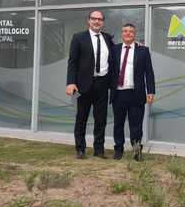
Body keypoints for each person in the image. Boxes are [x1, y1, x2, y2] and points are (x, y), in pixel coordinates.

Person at [66, 10, 114, 159]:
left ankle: (98, 150)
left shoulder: (107, 38)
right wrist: (70, 82)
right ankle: (80, 149)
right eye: (94, 19)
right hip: (84, 84)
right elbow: (72, 62)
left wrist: (134, 45)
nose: (97, 21)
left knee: (101, 119)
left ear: (103, 22)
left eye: (100, 19)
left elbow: (116, 53)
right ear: (89, 20)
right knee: (82, 118)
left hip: (103, 83)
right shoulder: (79, 37)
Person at [109, 23, 155, 161]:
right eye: (125, 31)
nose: (128, 33)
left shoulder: (143, 50)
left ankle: (136, 151)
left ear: (134, 34)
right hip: (119, 93)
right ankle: (118, 150)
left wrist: (151, 91)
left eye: (131, 32)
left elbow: (149, 73)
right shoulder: (114, 49)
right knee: (118, 124)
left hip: (136, 94)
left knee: (136, 125)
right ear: (121, 34)